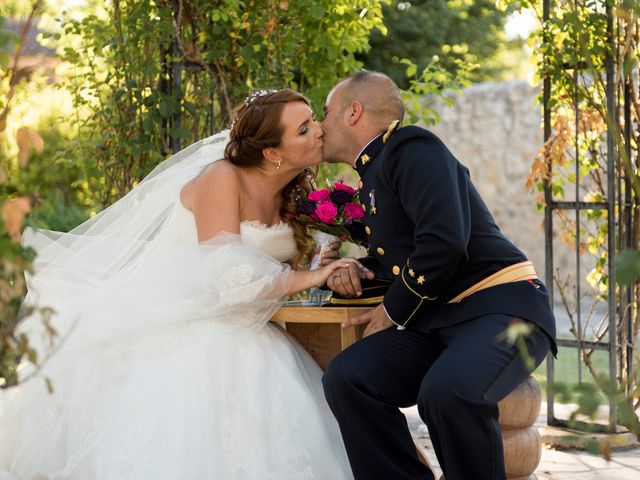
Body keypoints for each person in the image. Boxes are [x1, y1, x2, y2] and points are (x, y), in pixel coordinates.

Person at [0, 89, 356, 479]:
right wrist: (312, 276)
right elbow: (226, 275)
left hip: (248, 322)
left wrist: (325, 259)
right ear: (273, 153)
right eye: (304, 129)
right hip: (184, 317)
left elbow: (275, 269)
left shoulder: (296, 192)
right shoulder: (221, 178)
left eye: (313, 120)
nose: (319, 131)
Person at [320, 72, 557, 480]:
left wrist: (392, 311)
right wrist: (355, 268)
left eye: (325, 113)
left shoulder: (411, 148)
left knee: (448, 393)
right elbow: (403, 258)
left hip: (501, 309)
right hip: (439, 320)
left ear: (353, 112)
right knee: (348, 378)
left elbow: (443, 242)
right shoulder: (374, 171)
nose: (321, 125)